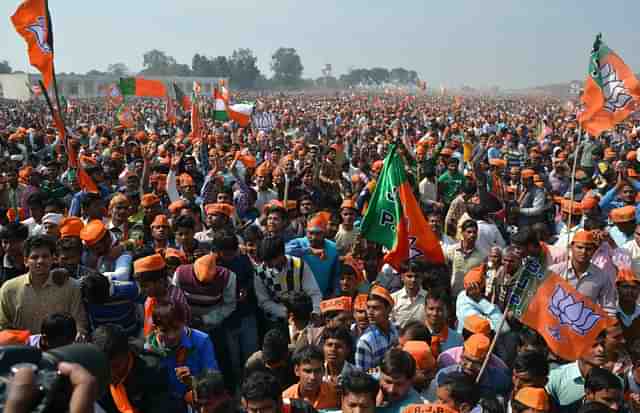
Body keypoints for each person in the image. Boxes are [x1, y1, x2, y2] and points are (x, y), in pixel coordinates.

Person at [0, 234, 88, 335]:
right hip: (23, 349)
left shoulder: (70, 286)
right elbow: (3, 328)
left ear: (53, 259)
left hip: (61, 349)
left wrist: (79, 335)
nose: (40, 261)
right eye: (34, 257)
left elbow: (80, 324)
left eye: (45, 256)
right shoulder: (9, 289)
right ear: (25, 261)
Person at [146, 302, 218, 409]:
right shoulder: (149, 349)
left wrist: (193, 382)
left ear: (184, 322)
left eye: (176, 328)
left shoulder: (202, 341)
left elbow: (214, 380)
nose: (171, 336)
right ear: (155, 328)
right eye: (164, 330)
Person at [94, 323, 170, 413]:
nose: (111, 374)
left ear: (128, 353)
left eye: (116, 366)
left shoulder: (154, 371)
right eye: (105, 367)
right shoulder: (96, 375)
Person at [254, 236, 322, 334]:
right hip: (275, 323)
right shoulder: (260, 272)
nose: (266, 264)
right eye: (265, 260)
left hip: (301, 321)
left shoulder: (299, 265)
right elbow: (264, 301)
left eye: (270, 260)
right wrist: (286, 312)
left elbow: (314, 292)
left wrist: (315, 311)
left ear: (281, 254)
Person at [549, 230, 617, 316]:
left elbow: (609, 309)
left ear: (595, 250)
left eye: (588, 249)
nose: (583, 252)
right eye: (579, 247)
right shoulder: (554, 271)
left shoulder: (602, 276)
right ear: (571, 247)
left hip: (585, 325)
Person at [429, 334, 511, 400]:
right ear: (462, 354)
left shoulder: (500, 381)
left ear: (487, 361)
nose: (469, 366)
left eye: (476, 363)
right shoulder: (444, 376)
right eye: (466, 359)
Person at [546, 330, 608, 410]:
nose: (601, 349)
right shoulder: (555, 377)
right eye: (594, 345)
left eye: (603, 344)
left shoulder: (614, 381)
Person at [133, 253, 190, 337]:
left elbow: (174, 335)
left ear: (160, 281)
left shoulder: (174, 302)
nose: (141, 290)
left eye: (145, 286)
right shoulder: (154, 294)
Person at [286, 213, 341, 297]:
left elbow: (336, 274)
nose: (314, 237)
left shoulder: (332, 248)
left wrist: (335, 293)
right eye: (310, 233)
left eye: (318, 233)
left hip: (323, 296)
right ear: (306, 231)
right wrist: (309, 251)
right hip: (300, 298)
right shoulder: (298, 243)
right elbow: (284, 251)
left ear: (324, 232)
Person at [282, 344, 339, 410]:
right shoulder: (285, 398)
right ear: (296, 370)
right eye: (307, 371)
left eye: (317, 371)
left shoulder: (335, 394)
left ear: (323, 370)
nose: (313, 377)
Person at [355, 285, 398, 371]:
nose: (370, 312)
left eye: (375, 308)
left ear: (388, 309)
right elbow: (362, 376)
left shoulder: (396, 330)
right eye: (368, 307)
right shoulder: (365, 342)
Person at [456, 267, 509, 334]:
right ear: (478, 287)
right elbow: (503, 328)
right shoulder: (468, 309)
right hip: (479, 341)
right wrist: (481, 301)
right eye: (485, 281)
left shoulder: (462, 294)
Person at [444, 219, 488, 297]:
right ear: (462, 233)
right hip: (453, 294)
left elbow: (484, 276)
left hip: (471, 296)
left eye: (475, 232)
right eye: (469, 232)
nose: (472, 235)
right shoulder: (451, 250)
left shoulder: (482, 255)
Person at [241, 370, 317, 413]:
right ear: (245, 405)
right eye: (253, 410)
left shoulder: (304, 410)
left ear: (279, 402)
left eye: (265, 409)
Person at [377, 348, 423, 413]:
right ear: (379, 375)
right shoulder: (370, 381)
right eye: (388, 382)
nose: (391, 389)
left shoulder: (412, 408)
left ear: (411, 381)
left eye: (399, 384)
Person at [424, 289, 464, 357]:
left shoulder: (457, 339)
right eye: (431, 309)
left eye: (439, 310)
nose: (435, 313)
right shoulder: (416, 335)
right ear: (425, 309)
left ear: (447, 311)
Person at [391, 261, 427, 328]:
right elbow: (390, 323)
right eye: (409, 276)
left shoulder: (428, 298)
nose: (413, 280)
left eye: (417, 276)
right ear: (402, 277)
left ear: (422, 278)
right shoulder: (393, 298)